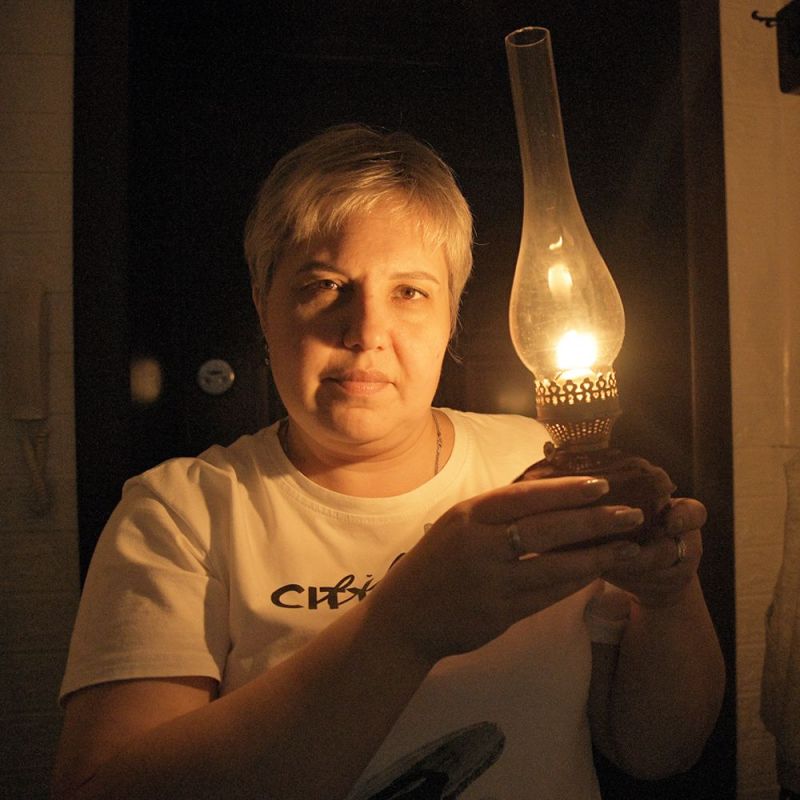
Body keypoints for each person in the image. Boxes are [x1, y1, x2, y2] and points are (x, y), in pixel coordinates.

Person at [52, 124, 725, 800]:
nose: (367, 332)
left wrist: (667, 598)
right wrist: (402, 628)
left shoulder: (543, 473)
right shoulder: (181, 514)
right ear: (263, 304)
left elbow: (658, 751)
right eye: (325, 285)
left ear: (451, 315)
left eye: (410, 292)